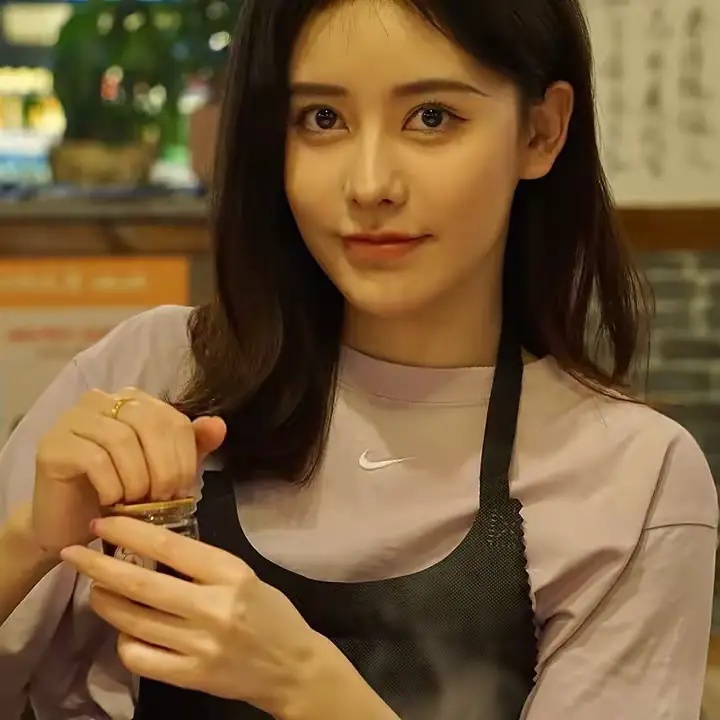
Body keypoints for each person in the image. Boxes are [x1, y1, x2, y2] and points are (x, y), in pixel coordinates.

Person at [0, 1, 717, 718]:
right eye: (322, 119)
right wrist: (31, 538)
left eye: (432, 117)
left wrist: (303, 685)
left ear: (541, 131)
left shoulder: (629, 475)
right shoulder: (150, 372)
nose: (370, 184)